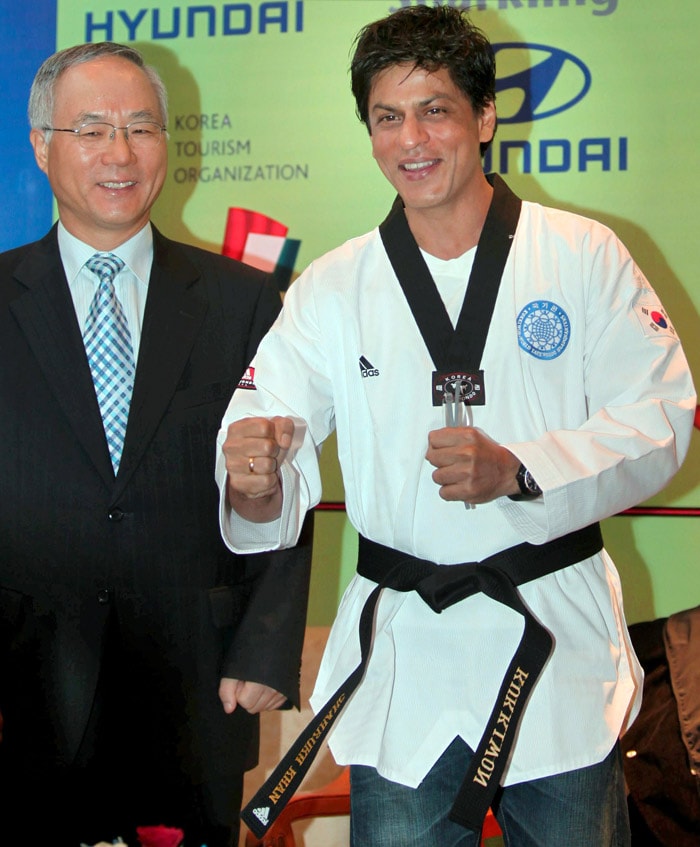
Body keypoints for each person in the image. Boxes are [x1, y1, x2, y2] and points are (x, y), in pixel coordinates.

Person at [217, 5, 695, 847]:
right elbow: (265, 437)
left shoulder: (583, 255)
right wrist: (253, 478)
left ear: (484, 117)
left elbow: (661, 419)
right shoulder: (333, 288)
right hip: (406, 655)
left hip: (550, 645)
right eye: (387, 117)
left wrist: (520, 469)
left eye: (435, 109)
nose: (413, 139)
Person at [0, 41, 312, 847]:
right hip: (21, 678)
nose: (120, 153)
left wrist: (266, 646)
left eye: (141, 128)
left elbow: (282, 480)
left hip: (196, 679)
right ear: (42, 145)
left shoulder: (243, 302)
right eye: (93, 129)